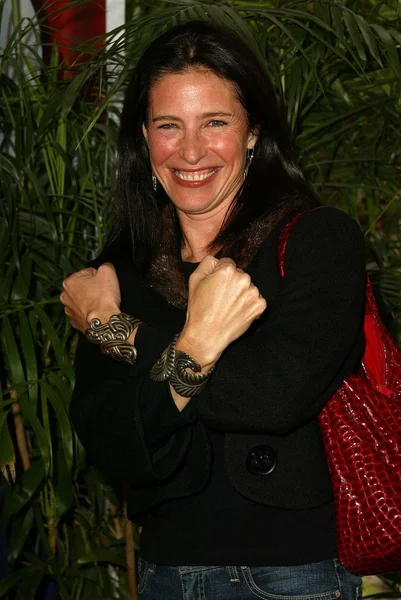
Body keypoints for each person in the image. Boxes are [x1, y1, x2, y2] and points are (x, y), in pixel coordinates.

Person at [61, 20, 366, 600]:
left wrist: (116, 330)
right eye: (169, 126)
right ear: (145, 140)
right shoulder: (118, 272)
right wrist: (194, 341)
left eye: (216, 123)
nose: (192, 151)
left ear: (253, 132)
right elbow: (117, 445)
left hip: (297, 573)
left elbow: (274, 396)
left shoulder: (318, 241)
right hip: (167, 572)